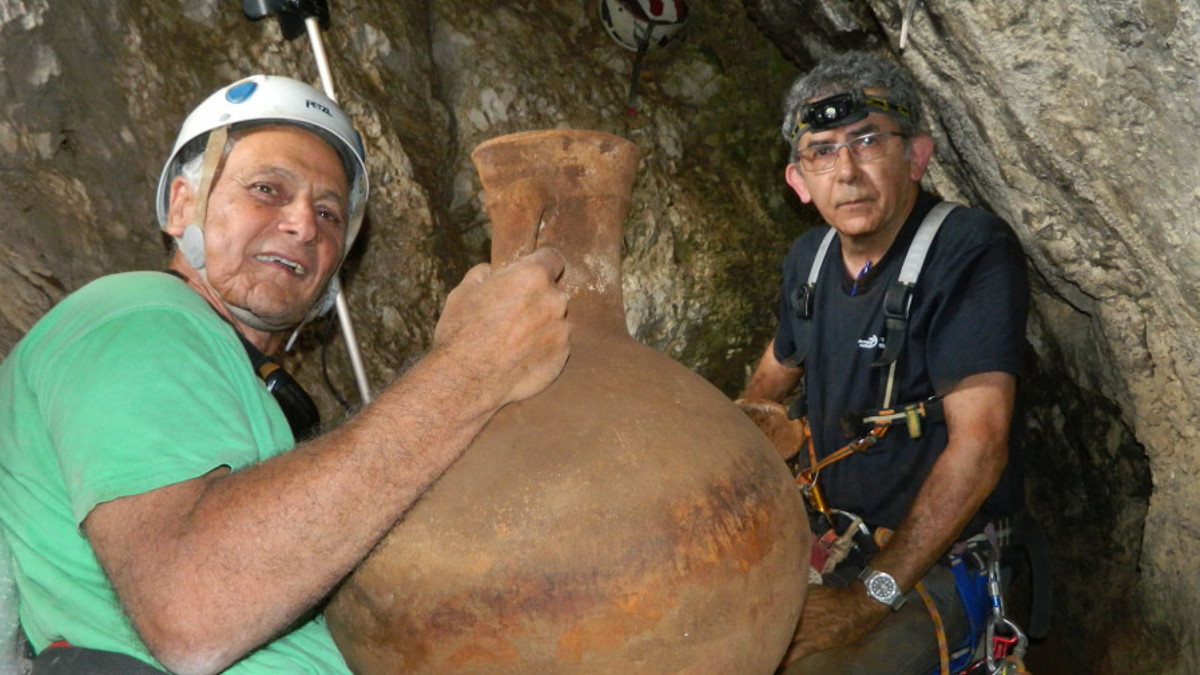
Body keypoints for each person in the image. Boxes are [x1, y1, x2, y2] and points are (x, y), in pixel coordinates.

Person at [0, 74, 570, 674]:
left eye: (328, 213)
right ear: (181, 205)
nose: (304, 225)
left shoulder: (246, 392)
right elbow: (193, 609)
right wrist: (470, 370)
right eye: (268, 189)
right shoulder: (137, 312)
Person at [738, 51, 1029, 674]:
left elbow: (980, 449)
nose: (846, 171)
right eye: (821, 151)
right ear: (798, 182)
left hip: (936, 559)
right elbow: (765, 390)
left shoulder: (967, 252)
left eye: (867, 141)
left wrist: (864, 602)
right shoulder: (809, 261)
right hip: (832, 535)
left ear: (916, 157)